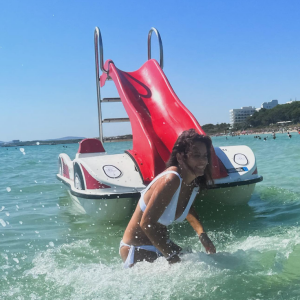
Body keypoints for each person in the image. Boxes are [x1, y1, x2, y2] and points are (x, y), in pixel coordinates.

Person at [119, 129, 216, 268]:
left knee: (213, 263)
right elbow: (146, 223)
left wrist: (202, 234)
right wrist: (171, 257)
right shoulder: (172, 179)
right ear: (181, 157)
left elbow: (187, 209)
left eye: (205, 156)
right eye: (196, 155)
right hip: (137, 249)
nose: (202, 161)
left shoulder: (193, 182)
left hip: (161, 244)